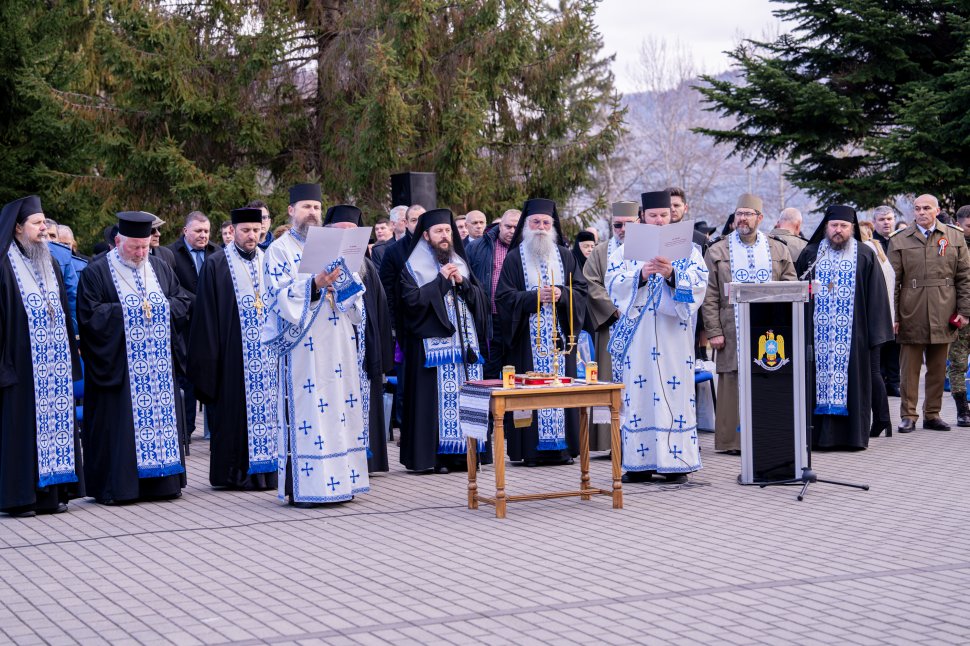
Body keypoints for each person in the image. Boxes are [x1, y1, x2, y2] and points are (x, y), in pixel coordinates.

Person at [261, 183, 369, 506]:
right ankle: (308, 487)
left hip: (338, 344)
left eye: (317, 208)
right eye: (306, 207)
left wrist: (342, 289)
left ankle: (342, 482)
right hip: (304, 350)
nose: (313, 213)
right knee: (311, 413)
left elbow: (358, 305)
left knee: (338, 411)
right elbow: (277, 298)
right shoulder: (278, 250)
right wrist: (315, 284)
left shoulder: (335, 248)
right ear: (291, 211)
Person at [77, 211, 191, 505]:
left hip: (159, 369)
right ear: (118, 241)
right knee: (122, 428)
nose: (141, 253)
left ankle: (163, 483)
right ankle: (121, 488)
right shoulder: (97, 271)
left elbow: (181, 300)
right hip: (122, 369)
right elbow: (90, 316)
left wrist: (163, 308)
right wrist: (129, 312)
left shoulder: (159, 267)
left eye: (145, 246)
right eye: (134, 247)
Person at [607, 191, 708, 482]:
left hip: (672, 337)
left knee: (674, 395)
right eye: (654, 216)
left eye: (664, 215)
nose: (660, 220)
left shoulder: (689, 250)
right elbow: (613, 285)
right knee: (638, 396)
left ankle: (677, 463)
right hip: (638, 341)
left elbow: (699, 289)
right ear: (643, 218)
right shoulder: (623, 250)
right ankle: (640, 464)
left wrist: (672, 275)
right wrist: (640, 274)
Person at [0, 196, 85, 517]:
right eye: (37, 223)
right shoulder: (4, 264)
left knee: (55, 428)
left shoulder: (48, 260)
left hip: (54, 367)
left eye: (45, 222)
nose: (43, 228)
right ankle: (19, 498)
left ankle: (52, 494)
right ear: (19, 227)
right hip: (19, 367)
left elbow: (63, 310)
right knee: (22, 432)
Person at [186, 207, 279, 490]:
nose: (252, 236)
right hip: (232, 358)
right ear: (234, 232)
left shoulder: (270, 260)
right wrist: (212, 363)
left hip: (269, 357)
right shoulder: (216, 264)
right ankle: (232, 474)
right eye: (246, 231)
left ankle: (270, 472)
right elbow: (206, 318)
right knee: (233, 416)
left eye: (256, 230)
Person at [495, 198, 588, 466]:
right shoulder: (515, 258)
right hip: (527, 340)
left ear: (553, 227)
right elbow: (503, 298)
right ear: (527, 225)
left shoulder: (566, 256)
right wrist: (534, 297)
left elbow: (582, 292)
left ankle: (564, 449)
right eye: (535, 222)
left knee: (561, 389)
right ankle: (531, 451)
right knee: (529, 391)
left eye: (546, 223)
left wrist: (562, 294)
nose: (541, 227)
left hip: (560, 339)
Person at [702, 193, 797, 453]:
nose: (742, 219)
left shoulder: (777, 248)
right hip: (731, 329)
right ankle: (732, 442)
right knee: (732, 382)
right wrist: (713, 331)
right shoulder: (718, 250)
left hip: (770, 331)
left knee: (768, 378)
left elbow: (791, 285)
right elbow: (709, 295)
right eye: (739, 213)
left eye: (748, 214)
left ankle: (767, 433)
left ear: (760, 218)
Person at [795, 206, 894, 449]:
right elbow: (796, 291)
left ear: (852, 228)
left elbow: (877, 297)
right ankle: (816, 438)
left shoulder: (864, 255)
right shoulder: (810, 254)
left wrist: (875, 335)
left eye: (844, 226)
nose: (838, 231)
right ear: (826, 227)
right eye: (834, 226)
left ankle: (852, 438)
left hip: (854, 337)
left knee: (854, 385)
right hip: (815, 338)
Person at [399, 208, 488, 473]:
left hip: (465, 349)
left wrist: (463, 283)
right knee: (436, 404)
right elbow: (411, 304)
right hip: (432, 351)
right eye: (438, 231)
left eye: (448, 230)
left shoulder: (461, 262)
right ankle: (436, 458)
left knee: (466, 400)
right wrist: (440, 281)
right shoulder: (411, 267)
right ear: (426, 235)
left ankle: (466, 454)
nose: (445, 236)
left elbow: (479, 301)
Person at [889, 194, 970, 433]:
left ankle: (932, 415)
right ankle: (908, 415)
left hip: (944, 310)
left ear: (937, 210)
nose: (921, 212)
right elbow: (893, 282)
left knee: (937, 369)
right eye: (917, 208)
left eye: (926, 208)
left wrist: (964, 311)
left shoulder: (954, 236)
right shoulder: (900, 239)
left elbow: (964, 277)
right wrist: (893, 316)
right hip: (910, 311)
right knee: (909, 369)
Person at [323, 203, 394, 474]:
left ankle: (366, 460)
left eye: (352, 232)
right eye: (340, 231)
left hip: (362, 351)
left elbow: (380, 311)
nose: (346, 238)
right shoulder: (320, 266)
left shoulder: (366, 266)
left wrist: (381, 354)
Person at [583, 201, 638, 451]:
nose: (623, 229)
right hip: (612, 326)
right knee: (610, 380)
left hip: (642, 327)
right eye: (618, 225)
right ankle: (611, 441)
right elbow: (590, 283)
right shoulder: (601, 251)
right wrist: (613, 309)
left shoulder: (648, 250)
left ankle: (639, 437)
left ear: (639, 223)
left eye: (629, 224)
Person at [167, 211, 220, 440]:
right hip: (184, 327)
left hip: (211, 327)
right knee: (186, 378)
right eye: (198, 231)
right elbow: (173, 287)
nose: (203, 235)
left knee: (213, 375)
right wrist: (200, 302)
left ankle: (216, 430)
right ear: (185, 230)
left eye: (206, 231)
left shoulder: (217, 253)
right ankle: (185, 431)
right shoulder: (170, 254)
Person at [466, 208, 521, 378]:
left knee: (517, 372)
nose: (511, 231)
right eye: (508, 226)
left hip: (516, 319)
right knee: (488, 372)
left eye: (516, 227)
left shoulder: (526, 248)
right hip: (489, 319)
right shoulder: (478, 246)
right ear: (500, 225)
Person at [859, 220, 895, 436]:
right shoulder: (879, 252)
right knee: (875, 372)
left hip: (871, 321)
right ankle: (883, 419)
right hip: (881, 320)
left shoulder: (865, 254)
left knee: (872, 372)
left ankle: (882, 418)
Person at [870, 205, 901, 397]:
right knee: (880, 342)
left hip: (897, 299)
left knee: (895, 344)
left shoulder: (899, 242)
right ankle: (879, 381)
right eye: (882, 220)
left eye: (889, 219)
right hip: (878, 299)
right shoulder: (869, 244)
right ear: (874, 222)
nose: (886, 223)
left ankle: (894, 382)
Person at [947, 205, 970, 427]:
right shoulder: (952, 246)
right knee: (957, 364)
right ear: (959, 225)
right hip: (961, 317)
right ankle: (962, 411)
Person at [667, 186, 711, 252]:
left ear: (685, 208)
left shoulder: (701, 240)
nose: (672, 209)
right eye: (668, 205)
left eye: (676, 205)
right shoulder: (654, 237)